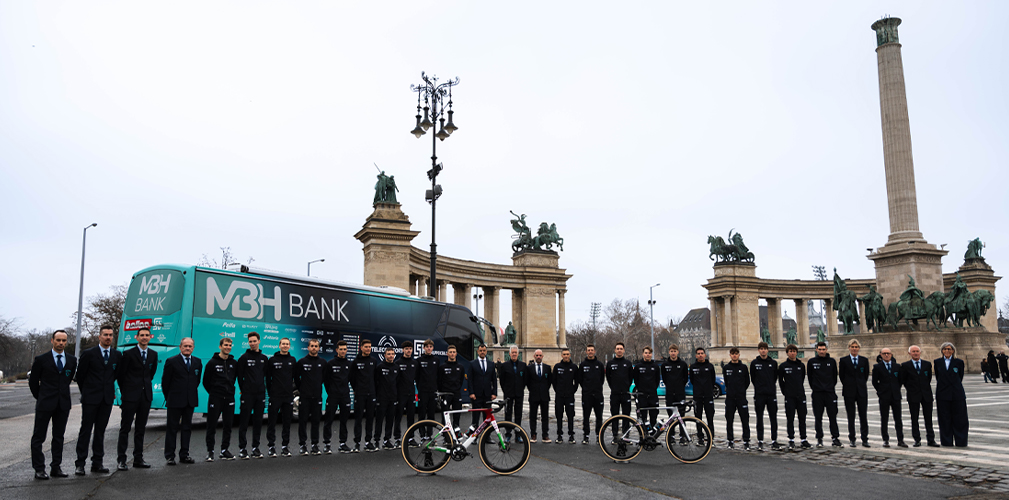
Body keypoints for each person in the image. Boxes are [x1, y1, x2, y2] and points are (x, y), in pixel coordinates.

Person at [74, 325, 122, 475]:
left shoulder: (116, 355)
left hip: (106, 399)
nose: (108, 337)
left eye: (110, 335)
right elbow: (80, 376)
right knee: (86, 430)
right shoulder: (89, 354)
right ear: (99, 336)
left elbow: (115, 375)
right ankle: (80, 464)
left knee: (100, 432)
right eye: (105, 335)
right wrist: (87, 392)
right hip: (90, 399)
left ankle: (97, 463)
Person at [29, 330, 77, 480]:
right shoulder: (41, 359)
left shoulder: (71, 360)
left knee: (59, 437)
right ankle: (39, 469)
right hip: (45, 404)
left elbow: (67, 380)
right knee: (39, 437)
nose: (61, 343)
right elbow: (33, 382)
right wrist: (42, 397)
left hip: (63, 404)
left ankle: (56, 467)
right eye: (58, 340)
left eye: (63, 340)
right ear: (52, 341)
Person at [116, 327, 158, 470]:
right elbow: (121, 375)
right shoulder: (128, 354)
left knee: (140, 429)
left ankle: (138, 459)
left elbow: (150, 374)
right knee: (125, 428)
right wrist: (127, 391)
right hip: (130, 396)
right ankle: (121, 459)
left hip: (145, 397)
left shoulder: (153, 354)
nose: (144, 337)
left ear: (150, 337)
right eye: (142, 335)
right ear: (137, 337)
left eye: (147, 335)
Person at [162, 337, 202, 465]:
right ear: (180, 347)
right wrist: (169, 396)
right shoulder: (171, 361)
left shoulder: (197, 362)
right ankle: (170, 456)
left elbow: (197, 380)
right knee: (172, 428)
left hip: (189, 401)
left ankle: (184, 454)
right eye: (185, 346)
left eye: (190, 346)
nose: (187, 348)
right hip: (174, 400)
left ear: (193, 348)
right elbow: (165, 383)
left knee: (187, 428)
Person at [203, 338, 238, 461]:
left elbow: (235, 379)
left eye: (230, 345)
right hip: (216, 398)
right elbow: (205, 382)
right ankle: (210, 451)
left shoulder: (234, 363)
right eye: (226, 345)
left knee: (228, 425)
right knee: (211, 425)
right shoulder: (212, 362)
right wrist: (214, 393)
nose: (228, 347)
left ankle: (224, 450)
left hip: (229, 398)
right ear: (220, 346)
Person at [236, 332, 268, 460]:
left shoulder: (264, 358)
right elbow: (239, 376)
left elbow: (266, 375)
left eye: (254, 341)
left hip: (260, 395)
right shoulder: (243, 358)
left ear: (259, 341)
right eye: (250, 341)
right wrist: (244, 390)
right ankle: (243, 449)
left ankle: (255, 447)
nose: (252, 343)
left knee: (258, 422)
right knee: (244, 422)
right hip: (247, 395)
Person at [900, 345, 938, 447]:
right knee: (914, 418)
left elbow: (928, 378)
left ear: (920, 352)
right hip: (913, 395)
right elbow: (904, 380)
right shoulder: (905, 365)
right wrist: (911, 389)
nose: (915, 353)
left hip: (926, 394)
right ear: (909, 353)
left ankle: (931, 439)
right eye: (913, 351)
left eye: (917, 351)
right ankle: (917, 439)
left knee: (928, 418)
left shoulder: (927, 364)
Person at [806, 341, 841, 448]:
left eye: (823, 349)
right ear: (816, 350)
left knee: (832, 416)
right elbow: (810, 378)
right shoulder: (812, 362)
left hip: (830, 392)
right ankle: (819, 438)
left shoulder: (832, 361)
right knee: (818, 417)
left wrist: (829, 387)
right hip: (817, 393)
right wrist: (817, 388)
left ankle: (835, 437)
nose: (821, 351)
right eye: (819, 349)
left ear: (826, 349)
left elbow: (835, 377)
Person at [265, 338, 296, 457]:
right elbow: (268, 378)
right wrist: (271, 392)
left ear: (289, 346)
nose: (285, 346)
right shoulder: (272, 360)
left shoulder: (292, 360)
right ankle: (271, 446)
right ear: (279, 345)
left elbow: (294, 377)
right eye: (283, 344)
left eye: (287, 344)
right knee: (271, 422)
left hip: (288, 396)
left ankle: (285, 446)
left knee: (286, 422)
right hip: (275, 396)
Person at [935, 342, 969, 447]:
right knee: (944, 418)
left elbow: (960, 376)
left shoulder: (959, 362)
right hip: (943, 393)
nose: (947, 351)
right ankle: (946, 441)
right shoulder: (937, 362)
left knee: (960, 418)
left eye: (949, 349)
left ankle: (961, 441)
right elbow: (938, 376)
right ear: (942, 351)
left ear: (953, 351)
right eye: (945, 349)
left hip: (956, 393)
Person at [838, 339, 871, 447]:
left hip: (861, 391)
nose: (854, 349)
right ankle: (852, 438)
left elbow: (865, 375)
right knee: (851, 416)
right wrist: (849, 384)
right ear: (849, 348)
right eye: (852, 347)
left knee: (863, 416)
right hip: (849, 391)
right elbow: (842, 376)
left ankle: (864, 438)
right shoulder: (844, 360)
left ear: (859, 348)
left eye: (856, 347)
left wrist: (860, 384)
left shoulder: (864, 360)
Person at [871, 348, 906, 447]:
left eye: (888, 353)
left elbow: (900, 380)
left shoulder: (897, 366)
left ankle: (900, 439)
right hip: (884, 396)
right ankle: (885, 439)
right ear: (881, 355)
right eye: (884, 353)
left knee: (898, 419)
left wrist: (895, 389)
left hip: (895, 396)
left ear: (891, 355)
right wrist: (880, 391)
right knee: (884, 418)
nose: (886, 355)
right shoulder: (877, 367)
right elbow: (874, 382)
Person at [296, 339, 326, 456]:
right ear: (308, 348)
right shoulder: (302, 362)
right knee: (302, 421)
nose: (314, 348)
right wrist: (302, 389)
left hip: (317, 397)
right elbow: (297, 378)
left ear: (319, 348)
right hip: (304, 397)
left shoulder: (323, 362)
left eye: (316, 346)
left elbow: (324, 377)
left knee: (316, 422)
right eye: (312, 346)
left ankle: (314, 444)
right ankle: (303, 445)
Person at [777, 344, 810, 450]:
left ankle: (803, 439)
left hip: (800, 395)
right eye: (790, 351)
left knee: (802, 418)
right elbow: (781, 381)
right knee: (790, 418)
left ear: (796, 352)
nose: (792, 353)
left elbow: (802, 378)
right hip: (789, 396)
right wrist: (785, 392)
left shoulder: (801, 365)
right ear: (787, 353)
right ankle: (791, 439)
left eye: (794, 351)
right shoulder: (783, 366)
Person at [324, 340, 352, 453]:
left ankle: (343, 443)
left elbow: (351, 379)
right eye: (341, 349)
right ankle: (327, 444)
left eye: (345, 349)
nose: (343, 351)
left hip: (345, 396)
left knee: (344, 421)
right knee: (328, 420)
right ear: (337, 350)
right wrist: (331, 392)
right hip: (333, 396)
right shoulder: (330, 363)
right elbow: (326, 380)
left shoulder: (349, 364)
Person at [749, 342, 779, 451]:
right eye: (761, 349)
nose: (763, 351)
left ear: (767, 350)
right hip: (759, 394)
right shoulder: (754, 363)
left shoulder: (773, 363)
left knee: (773, 418)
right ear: (758, 350)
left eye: (765, 349)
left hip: (771, 394)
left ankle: (774, 440)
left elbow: (775, 377)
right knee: (759, 418)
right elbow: (753, 378)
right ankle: (760, 440)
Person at [351, 339, 378, 452]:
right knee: (358, 419)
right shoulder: (355, 361)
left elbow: (376, 378)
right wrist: (357, 390)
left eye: (369, 347)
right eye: (366, 347)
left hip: (371, 394)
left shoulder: (374, 361)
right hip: (360, 394)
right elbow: (352, 378)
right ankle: (357, 443)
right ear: (361, 348)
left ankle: (368, 442)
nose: (368, 349)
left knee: (370, 419)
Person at [722, 347, 750, 450]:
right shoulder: (726, 368)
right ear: (730, 355)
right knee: (729, 420)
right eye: (732, 353)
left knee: (745, 420)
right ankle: (730, 440)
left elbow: (747, 381)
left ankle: (746, 440)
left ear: (739, 355)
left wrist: (741, 390)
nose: (734, 355)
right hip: (730, 398)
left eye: (736, 353)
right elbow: (726, 380)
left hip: (741, 397)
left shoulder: (743, 367)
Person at [498, 346, 528, 443]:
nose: (514, 354)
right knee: (508, 414)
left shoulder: (523, 365)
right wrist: (505, 391)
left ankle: (518, 434)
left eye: (516, 352)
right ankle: (508, 434)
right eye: (512, 352)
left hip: (519, 393)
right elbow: (502, 380)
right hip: (508, 393)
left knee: (518, 414)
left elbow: (525, 380)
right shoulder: (504, 365)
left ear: (518, 354)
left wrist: (521, 388)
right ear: (510, 354)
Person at [578, 344, 605, 445]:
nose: (590, 352)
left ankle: (599, 436)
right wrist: (586, 388)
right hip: (587, 395)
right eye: (588, 350)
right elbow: (580, 379)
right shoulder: (582, 365)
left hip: (598, 395)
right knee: (586, 416)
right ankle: (586, 436)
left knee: (599, 417)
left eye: (592, 350)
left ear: (594, 351)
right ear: (586, 352)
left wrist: (597, 388)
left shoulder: (600, 364)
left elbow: (602, 379)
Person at [393, 341, 419, 447]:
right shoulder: (397, 363)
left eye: (410, 349)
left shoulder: (415, 363)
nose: (409, 350)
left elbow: (417, 377)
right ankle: (397, 438)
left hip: (411, 393)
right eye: (406, 349)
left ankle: (410, 438)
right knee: (398, 416)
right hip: (400, 394)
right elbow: (395, 380)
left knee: (411, 417)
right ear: (403, 350)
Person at [374, 346, 399, 450]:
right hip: (382, 398)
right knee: (379, 420)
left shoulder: (396, 367)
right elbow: (376, 381)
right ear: (384, 356)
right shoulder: (380, 367)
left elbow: (397, 382)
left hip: (392, 398)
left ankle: (387, 440)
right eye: (388, 354)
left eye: (392, 354)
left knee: (390, 420)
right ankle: (376, 440)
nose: (391, 356)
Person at [688, 347, 716, 440]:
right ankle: (700, 437)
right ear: (696, 356)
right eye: (698, 353)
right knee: (698, 418)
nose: (700, 355)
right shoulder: (693, 367)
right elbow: (692, 380)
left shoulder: (710, 366)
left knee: (710, 418)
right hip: (697, 396)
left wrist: (709, 390)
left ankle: (710, 437)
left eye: (702, 353)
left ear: (705, 354)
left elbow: (713, 380)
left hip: (708, 395)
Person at [525, 349, 552, 443]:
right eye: (537, 355)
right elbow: (527, 382)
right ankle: (533, 434)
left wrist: (544, 389)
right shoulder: (529, 368)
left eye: (540, 355)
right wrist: (533, 390)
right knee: (533, 416)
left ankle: (545, 435)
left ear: (542, 356)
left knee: (545, 416)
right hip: (533, 395)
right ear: (534, 356)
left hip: (544, 395)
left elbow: (549, 382)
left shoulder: (547, 368)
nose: (538, 357)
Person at [469, 344, 497, 430]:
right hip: (476, 395)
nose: (482, 352)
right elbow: (470, 379)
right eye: (480, 350)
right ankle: (474, 437)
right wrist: (471, 392)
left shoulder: (491, 364)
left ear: (486, 351)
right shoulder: (472, 364)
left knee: (487, 417)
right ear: (477, 352)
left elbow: (494, 379)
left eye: (484, 350)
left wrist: (494, 393)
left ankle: (487, 436)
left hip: (487, 395)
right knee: (475, 418)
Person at [553, 348, 578, 444]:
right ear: (561, 355)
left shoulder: (574, 367)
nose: (566, 356)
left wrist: (572, 391)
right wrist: (558, 391)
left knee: (570, 415)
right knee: (559, 415)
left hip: (569, 395)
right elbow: (554, 381)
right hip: (559, 395)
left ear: (570, 355)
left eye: (567, 354)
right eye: (564, 354)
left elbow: (577, 381)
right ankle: (559, 435)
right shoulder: (557, 366)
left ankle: (571, 435)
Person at [633, 346, 661, 431]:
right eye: (646, 353)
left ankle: (652, 436)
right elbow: (636, 380)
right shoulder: (638, 366)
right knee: (643, 418)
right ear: (643, 354)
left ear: (651, 354)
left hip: (653, 395)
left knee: (653, 417)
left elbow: (657, 380)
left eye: (649, 353)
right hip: (642, 396)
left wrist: (652, 389)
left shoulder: (655, 366)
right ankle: (644, 436)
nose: (647, 354)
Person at [415, 340, 440, 435]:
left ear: (432, 348)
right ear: (424, 348)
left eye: (430, 346)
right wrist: (420, 387)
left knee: (431, 415)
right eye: (427, 346)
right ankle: (422, 435)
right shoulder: (419, 360)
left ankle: (429, 435)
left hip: (432, 391)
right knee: (421, 414)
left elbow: (438, 375)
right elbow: (417, 376)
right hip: (423, 391)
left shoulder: (436, 360)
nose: (429, 348)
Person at [439, 345, 466, 430]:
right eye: (450, 352)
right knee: (445, 416)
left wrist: (457, 389)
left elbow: (461, 380)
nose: (452, 354)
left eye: (454, 352)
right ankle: (446, 436)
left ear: (456, 354)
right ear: (447, 354)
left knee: (457, 415)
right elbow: (439, 381)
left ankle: (456, 433)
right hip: (446, 394)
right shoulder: (442, 367)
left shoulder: (460, 367)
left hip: (457, 394)